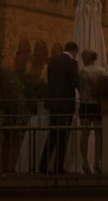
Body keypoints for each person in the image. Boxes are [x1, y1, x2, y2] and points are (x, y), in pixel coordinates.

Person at [39, 41, 79, 174]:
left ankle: (43, 166)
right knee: (63, 136)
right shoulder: (72, 63)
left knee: (52, 134)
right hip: (65, 105)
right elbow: (75, 82)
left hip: (52, 103)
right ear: (74, 51)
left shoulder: (53, 61)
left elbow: (50, 81)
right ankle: (58, 167)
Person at [78, 48, 107, 174]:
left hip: (85, 105)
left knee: (85, 133)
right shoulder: (102, 71)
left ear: (87, 58)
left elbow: (80, 88)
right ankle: (98, 162)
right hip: (98, 105)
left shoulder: (83, 71)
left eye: (83, 57)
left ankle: (85, 162)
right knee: (99, 134)